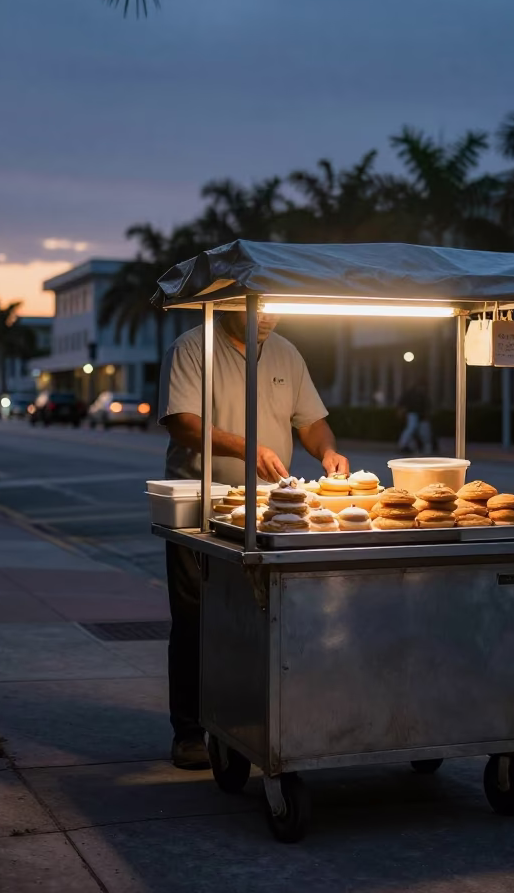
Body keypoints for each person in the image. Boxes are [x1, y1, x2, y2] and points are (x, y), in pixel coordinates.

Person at [158, 310, 349, 769]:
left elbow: (311, 421)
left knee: (264, 618)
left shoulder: (285, 352)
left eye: (274, 310)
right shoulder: (190, 348)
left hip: (270, 511)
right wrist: (248, 447)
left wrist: (328, 451)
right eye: (257, 309)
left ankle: (250, 720)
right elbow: (182, 422)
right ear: (229, 302)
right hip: (200, 507)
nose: (267, 319)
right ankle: (189, 730)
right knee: (196, 617)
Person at [397, 384, 431, 453]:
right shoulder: (414, 394)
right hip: (414, 413)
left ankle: (406, 445)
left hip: (418, 414)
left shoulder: (420, 394)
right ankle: (404, 445)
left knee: (421, 431)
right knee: (412, 428)